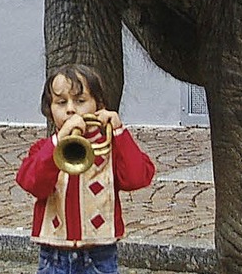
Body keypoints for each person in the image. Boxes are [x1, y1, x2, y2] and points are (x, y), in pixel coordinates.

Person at [16, 63, 155, 274]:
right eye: (61, 103)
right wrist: (58, 141)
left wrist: (119, 133)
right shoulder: (45, 148)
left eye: (80, 101)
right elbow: (32, 183)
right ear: (50, 109)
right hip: (54, 256)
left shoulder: (109, 146)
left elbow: (138, 178)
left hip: (99, 255)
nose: (70, 109)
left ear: (98, 105)